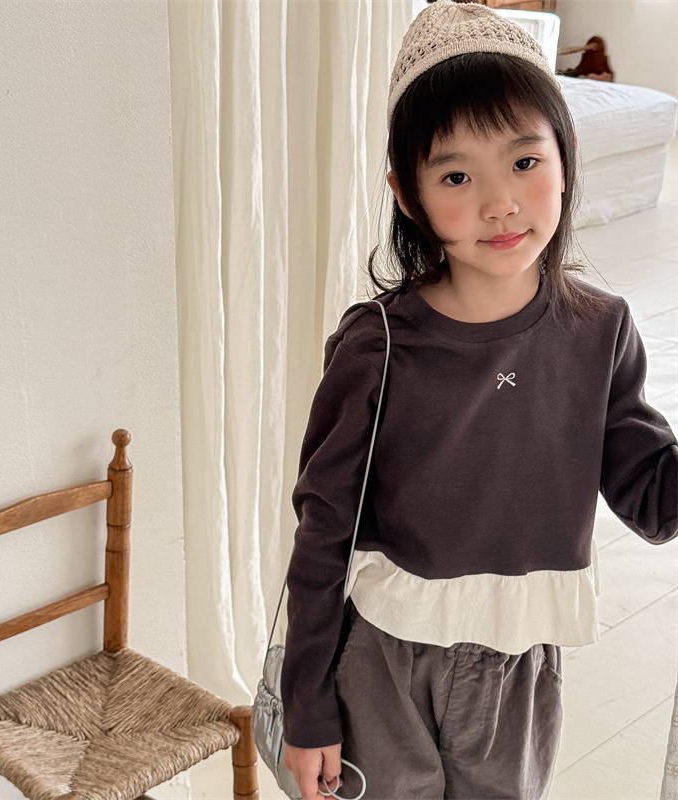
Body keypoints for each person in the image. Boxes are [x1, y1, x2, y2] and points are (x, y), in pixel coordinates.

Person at [279, 3, 678, 799]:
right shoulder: (376, 347)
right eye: (457, 176)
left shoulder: (600, 331)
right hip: (385, 660)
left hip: (520, 666)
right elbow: (323, 534)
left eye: (524, 161)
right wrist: (306, 707)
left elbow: (653, 500)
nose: (501, 203)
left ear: (566, 155)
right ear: (407, 193)